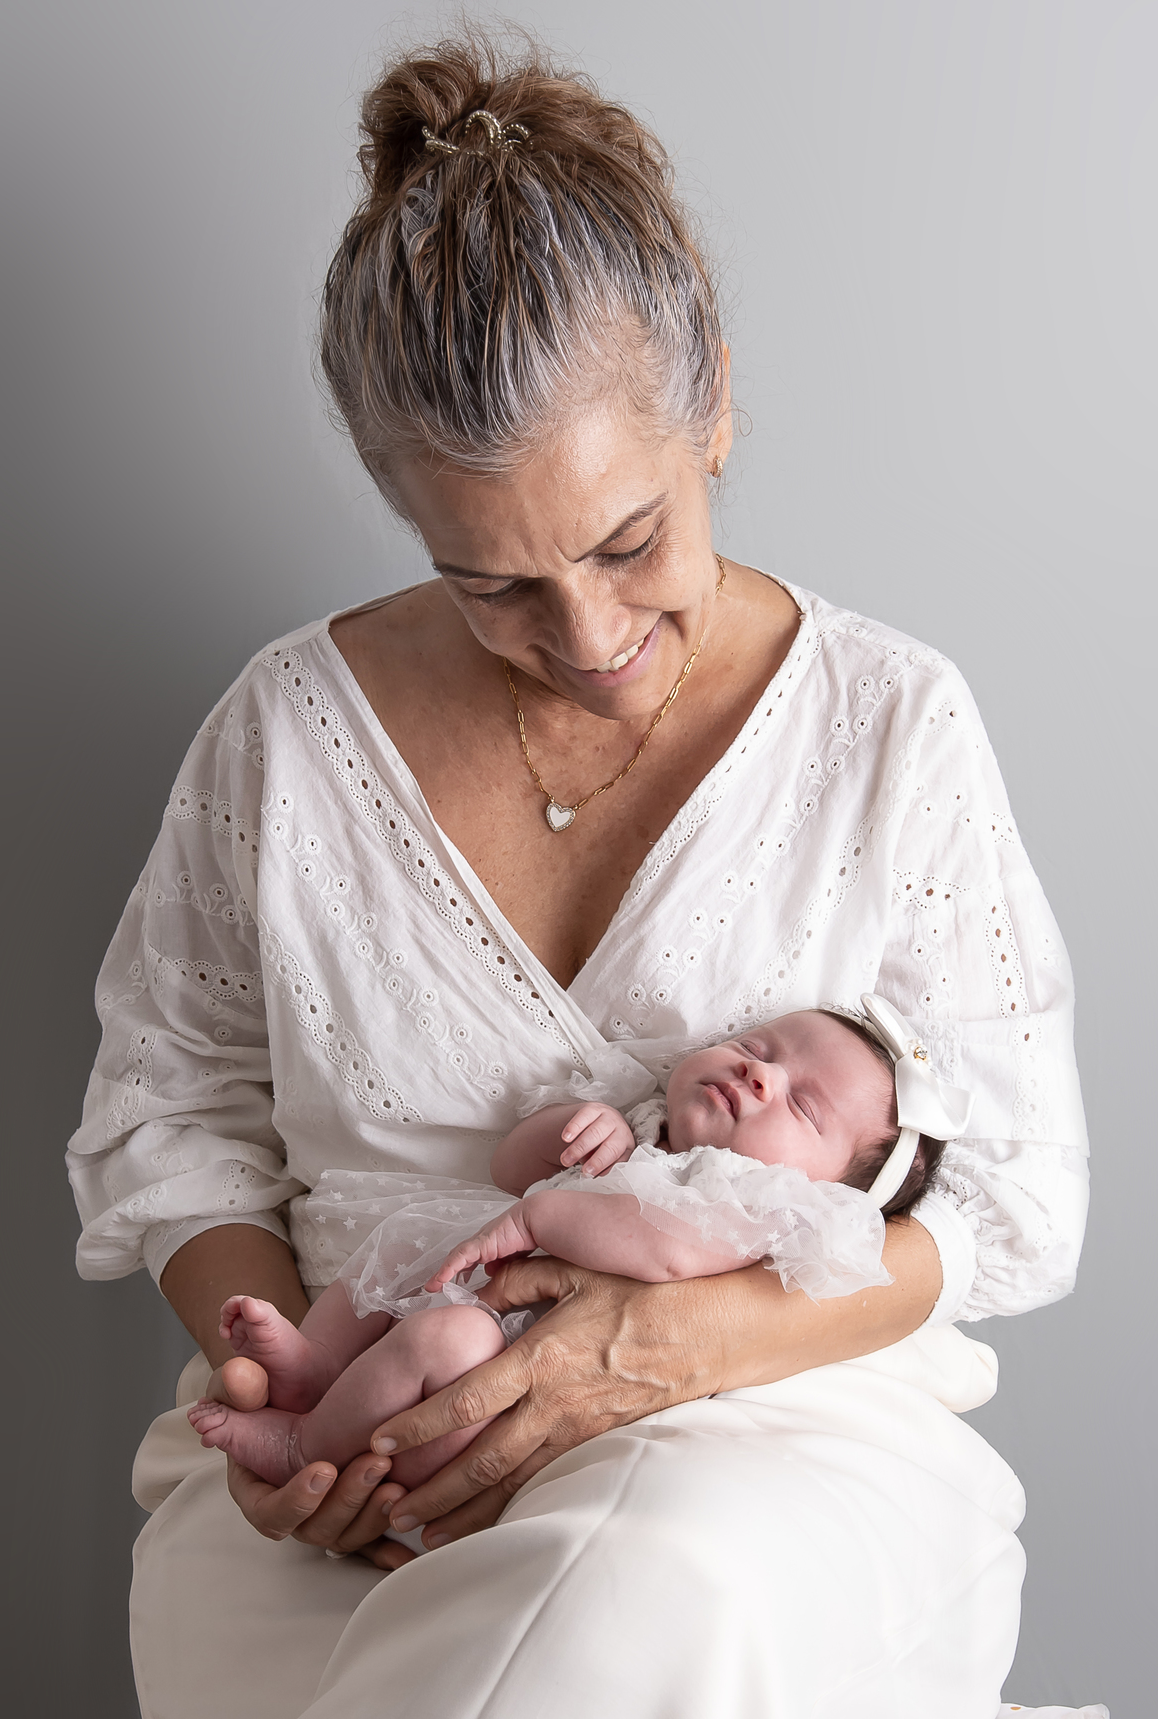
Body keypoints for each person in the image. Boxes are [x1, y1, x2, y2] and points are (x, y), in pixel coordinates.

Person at [66, 32, 1091, 1719]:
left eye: (628, 541)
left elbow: (1013, 1197)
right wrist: (284, 1375)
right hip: (355, 1448)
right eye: (492, 584)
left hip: (764, 1440)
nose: (591, 633)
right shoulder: (285, 736)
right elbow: (173, 1110)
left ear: (716, 406)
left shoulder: (890, 723)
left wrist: (672, 1341)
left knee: (633, 1606)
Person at [184, 1000, 961, 1491]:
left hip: (515, 1368)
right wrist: (581, 1135)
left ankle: (305, 1447)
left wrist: (539, 1221)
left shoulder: (754, 1210)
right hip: (473, 1279)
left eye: (804, 1106)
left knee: (445, 1340)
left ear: (829, 1196)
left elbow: (665, 1253)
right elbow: (508, 1170)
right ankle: (320, 1363)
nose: (760, 1074)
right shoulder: (643, 1117)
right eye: (759, 1046)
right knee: (400, 1238)